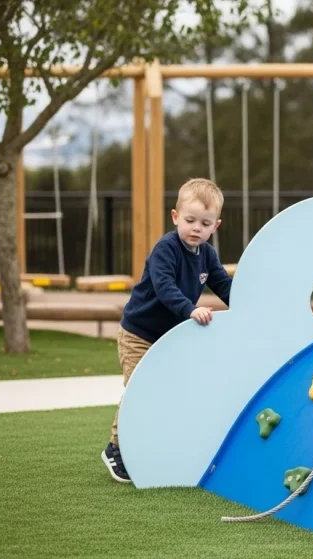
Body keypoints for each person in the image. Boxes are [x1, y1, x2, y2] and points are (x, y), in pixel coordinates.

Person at [101, 178, 233, 483]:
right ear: (175, 217)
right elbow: (164, 287)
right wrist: (190, 309)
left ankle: (151, 447)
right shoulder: (166, 249)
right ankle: (115, 448)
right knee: (140, 391)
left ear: (216, 226)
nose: (196, 228)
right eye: (189, 220)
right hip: (139, 334)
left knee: (167, 392)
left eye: (205, 223)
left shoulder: (207, 255)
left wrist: (246, 304)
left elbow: (224, 285)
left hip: (169, 338)